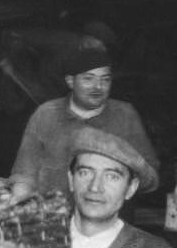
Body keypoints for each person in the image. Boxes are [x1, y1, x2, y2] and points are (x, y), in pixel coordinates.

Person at [10, 46, 158, 199]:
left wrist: (116, 158)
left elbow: (150, 178)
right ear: (70, 81)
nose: (98, 87)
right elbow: (24, 172)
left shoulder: (125, 114)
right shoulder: (46, 114)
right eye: (88, 78)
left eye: (105, 80)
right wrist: (20, 202)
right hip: (54, 213)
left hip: (108, 214)